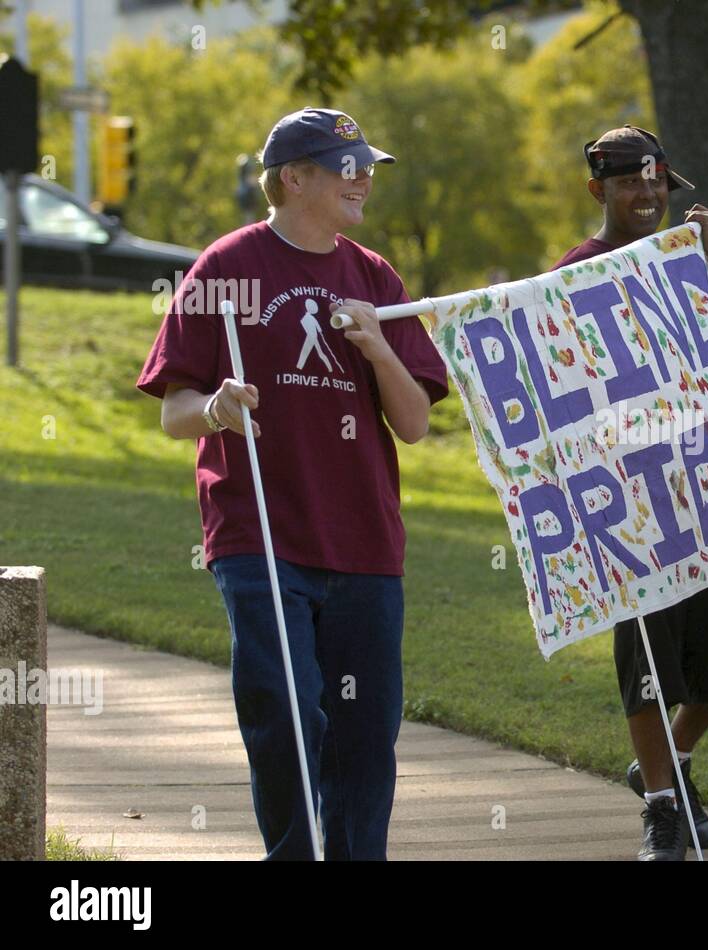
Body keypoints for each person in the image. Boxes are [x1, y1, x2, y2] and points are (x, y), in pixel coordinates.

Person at [137, 108, 448, 860]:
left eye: (368, 165)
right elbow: (173, 410)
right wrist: (214, 408)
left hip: (365, 543)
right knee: (286, 712)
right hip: (260, 535)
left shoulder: (376, 279)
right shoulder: (225, 268)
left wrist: (377, 347)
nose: (364, 178)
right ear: (292, 178)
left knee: (364, 734)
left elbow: (414, 423)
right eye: (347, 166)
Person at [554, 125, 708, 860]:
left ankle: (663, 764)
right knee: (648, 659)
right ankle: (666, 810)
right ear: (599, 189)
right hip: (629, 498)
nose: (647, 194)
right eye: (630, 182)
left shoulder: (688, 260)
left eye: (657, 181)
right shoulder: (576, 271)